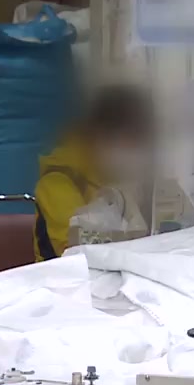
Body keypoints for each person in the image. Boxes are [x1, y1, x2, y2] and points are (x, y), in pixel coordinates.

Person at [34, 83, 153, 261]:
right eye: (129, 139)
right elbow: (79, 253)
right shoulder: (58, 183)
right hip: (67, 276)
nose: (135, 151)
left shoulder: (130, 177)